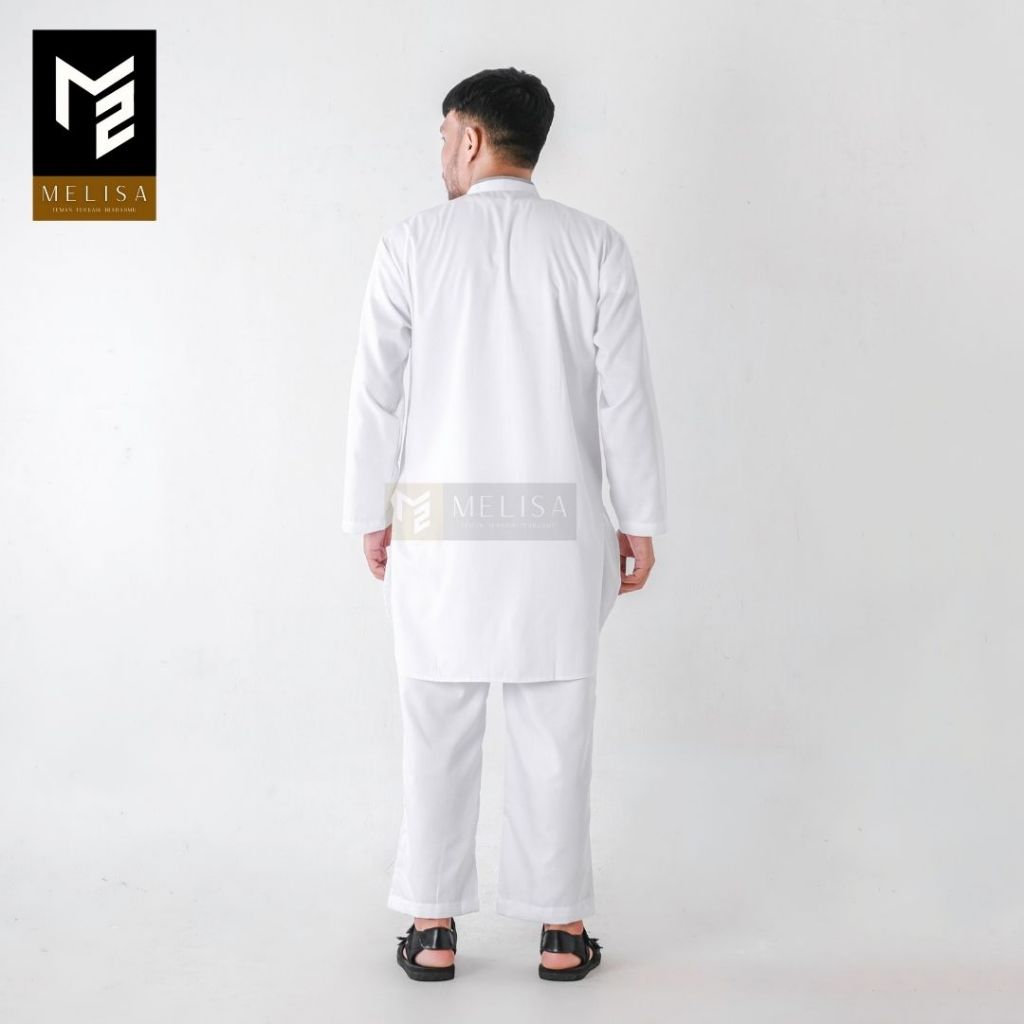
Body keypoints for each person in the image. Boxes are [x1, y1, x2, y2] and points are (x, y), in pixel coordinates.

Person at [341, 66, 667, 982]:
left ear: (473, 138)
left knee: (437, 719)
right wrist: (639, 517)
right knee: (554, 723)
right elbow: (625, 394)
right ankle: (561, 931)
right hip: (556, 517)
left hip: (438, 517)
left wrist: (369, 512)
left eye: (446, 134)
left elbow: (376, 395)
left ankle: (433, 924)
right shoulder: (594, 247)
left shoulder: (410, 244)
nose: (442, 152)